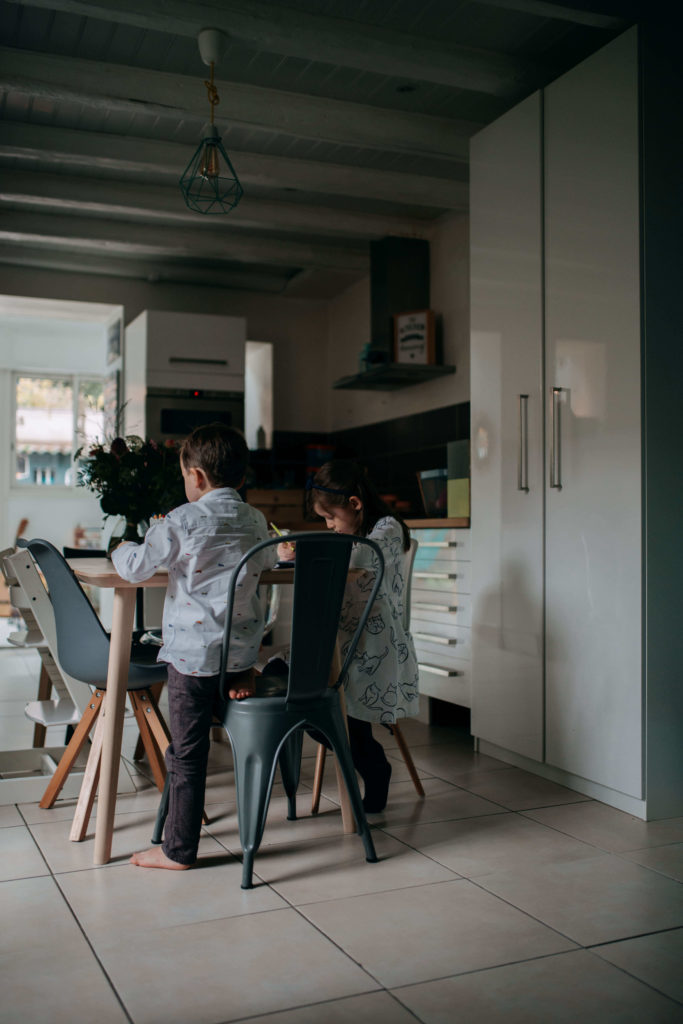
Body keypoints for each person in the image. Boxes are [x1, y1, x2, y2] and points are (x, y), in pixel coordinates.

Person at [112, 423, 275, 870]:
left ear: (196, 477)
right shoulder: (255, 520)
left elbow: (135, 568)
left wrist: (122, 547)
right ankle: (238, 683)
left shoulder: (182, 520)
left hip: (191, 659)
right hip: (238, 653)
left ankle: (178, 850)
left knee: (186, 753)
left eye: (185, 475)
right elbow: (268, 560)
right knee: (225, 672)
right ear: (241, 477)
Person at [278, 459, 419, 813]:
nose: (329, 526)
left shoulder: (387, 528)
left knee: (332, 705)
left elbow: (359, 558)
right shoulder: (352, 534)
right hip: (341, 637)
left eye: (331, 518)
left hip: (374, 643)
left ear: (355, 504)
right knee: (292, 690)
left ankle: (374, 766)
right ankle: (369, 759)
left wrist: (304, 552)